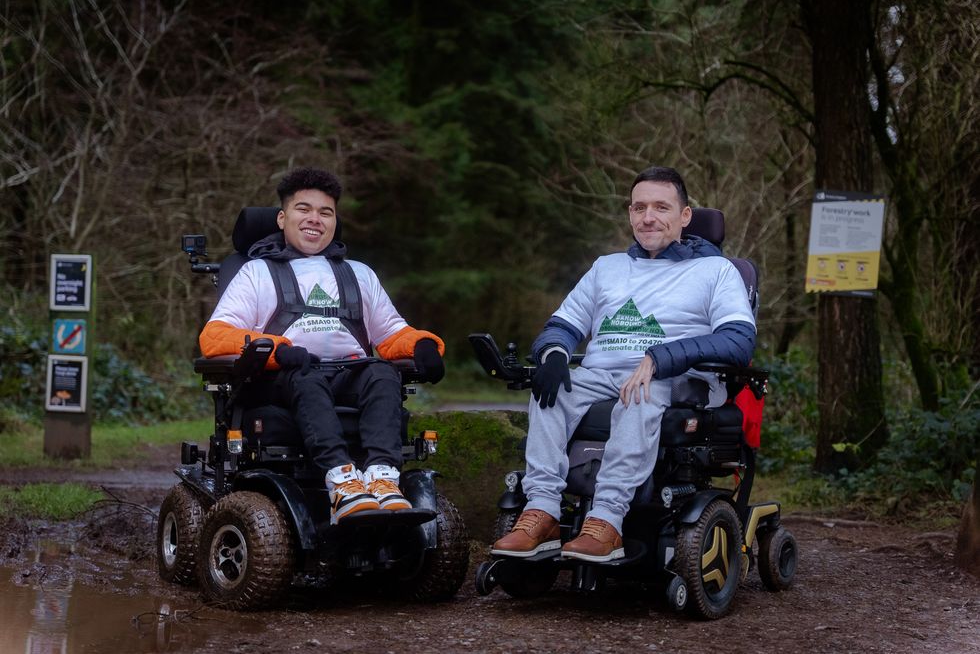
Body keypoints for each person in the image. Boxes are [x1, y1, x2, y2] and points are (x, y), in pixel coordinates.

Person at [491, 166, 756, 562]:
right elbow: (561, 325)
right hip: (601, 373)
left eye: (661, 207)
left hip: (678, 380)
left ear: (685, 216)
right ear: (630, 213)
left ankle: (606, 521)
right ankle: (542, 510)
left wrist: (660, 357)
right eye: (639, 207)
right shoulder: (607, 267)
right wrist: (554, 355)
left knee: (637, 394)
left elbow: (739, 340)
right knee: (550, 393)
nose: (648, 217)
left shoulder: (715, 270)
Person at [199, 167, 445, 523]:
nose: (315, 219)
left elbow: (391, 332)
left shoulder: (359, 273)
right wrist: (278, 349)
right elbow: (216, 336)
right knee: (306, 375)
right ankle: (342, 482)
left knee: (381, 371)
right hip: (285, 379)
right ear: (282, 218)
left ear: (334, 222)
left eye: (325, 212)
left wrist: (422, 346)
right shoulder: (256, 272)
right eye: (304, 209)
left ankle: (382, 479)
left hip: (349, 375)